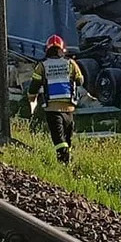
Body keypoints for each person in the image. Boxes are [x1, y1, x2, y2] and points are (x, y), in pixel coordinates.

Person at [26, 35, 84, 165]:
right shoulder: (70, 64)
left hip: (52, 109)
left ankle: (62, 163)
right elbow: (80, 81)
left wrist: (31, 97)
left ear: (47, 50)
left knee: (58, 139)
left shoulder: (42, 66)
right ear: (62, 49)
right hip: (69, 109)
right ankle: (67, 161)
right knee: (67, 138)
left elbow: (34, 85)